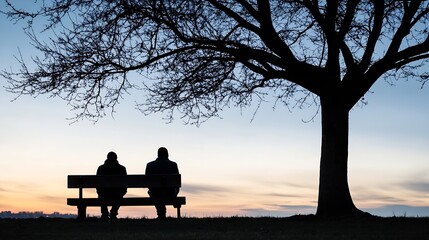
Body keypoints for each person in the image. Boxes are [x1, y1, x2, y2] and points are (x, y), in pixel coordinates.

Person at [145, 147, 180, 219]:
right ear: (167, 154)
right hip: (170, 192)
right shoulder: (173, 165)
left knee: (153, 192)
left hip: (155, 192)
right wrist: (175, 193)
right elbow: (177, 183)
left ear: (158, 155)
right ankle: (162, 211)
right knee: (169, 190)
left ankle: (161, 212)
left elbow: (147, 182)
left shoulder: (150, 165)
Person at [96, 151, 127, 219]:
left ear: (107, 158)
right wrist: (123, 191)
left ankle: (104, 213)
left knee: (100, 195)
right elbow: (125, 184)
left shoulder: (101, 168)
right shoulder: (122, 168)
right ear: (116, 158)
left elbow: (97, 183)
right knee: (119, 195)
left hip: (104, 193)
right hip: (117, 193)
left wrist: (99, 191)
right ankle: (113, 213)